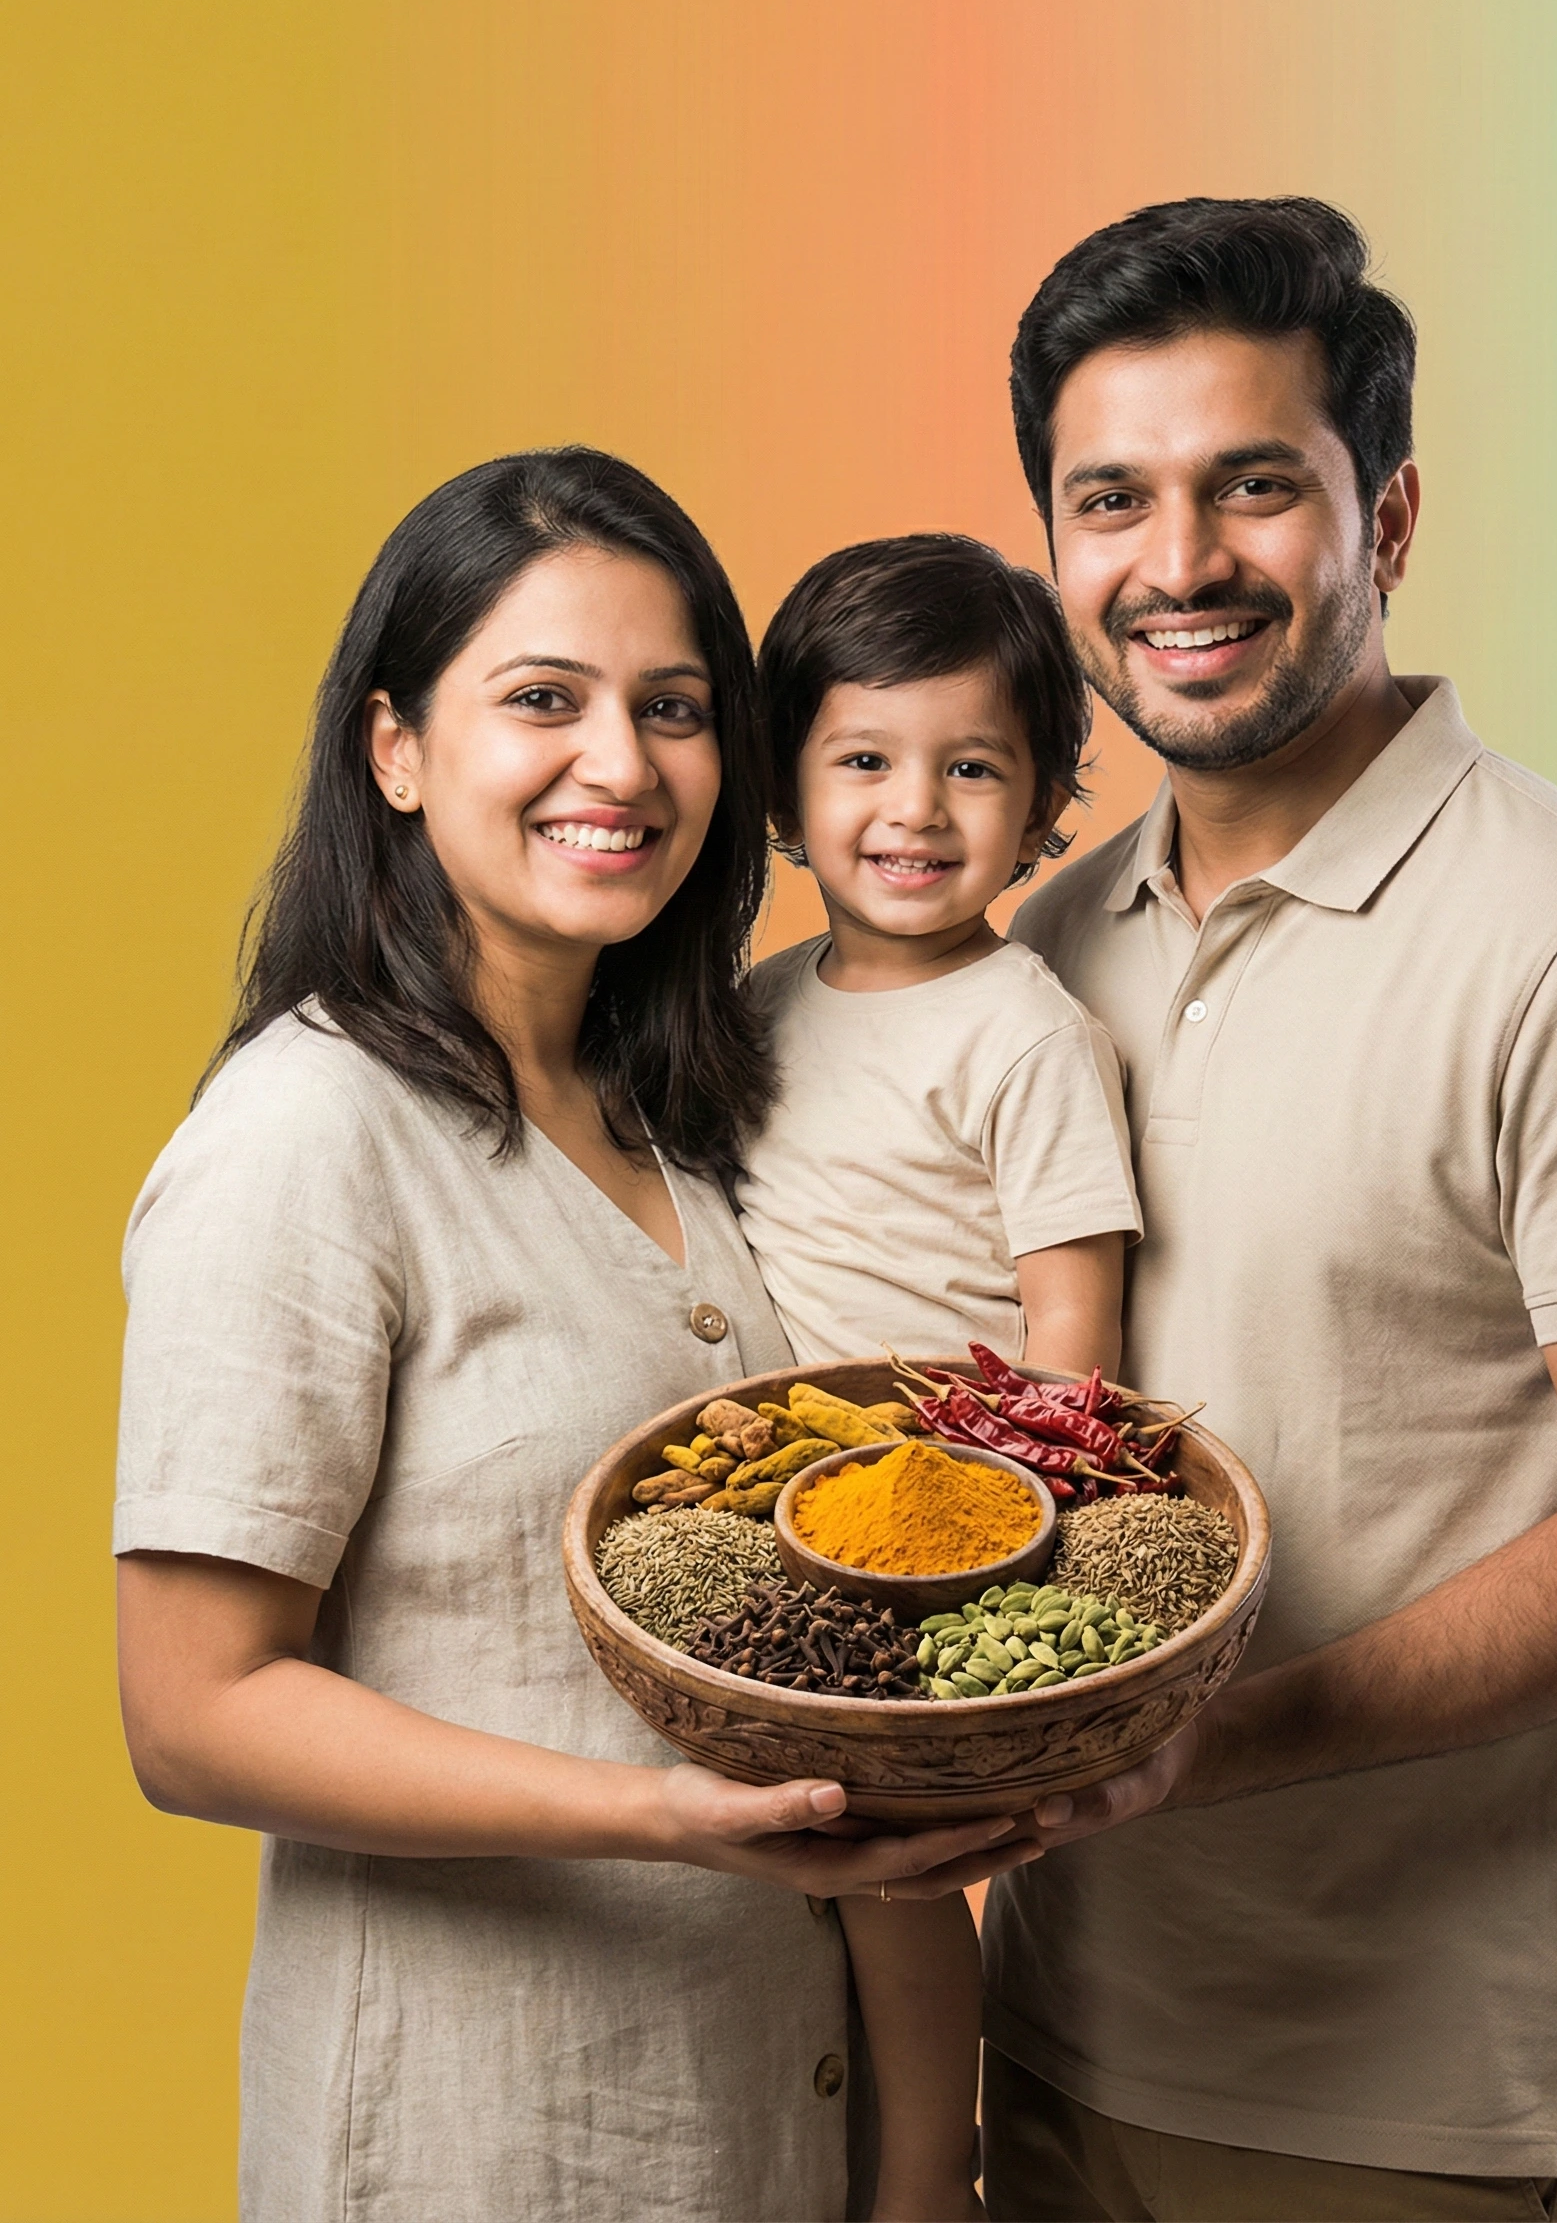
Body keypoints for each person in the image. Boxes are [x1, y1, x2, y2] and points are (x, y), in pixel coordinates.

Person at [978, 200, 1557, 2222]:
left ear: (1388, 518)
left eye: (1252, 486)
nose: (1175, 563)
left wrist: (1196, 1745)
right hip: (1041, 2027)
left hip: (1400, 2109)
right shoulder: (1043, 946)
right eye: (1111, 499)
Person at [112, 448, 1041, 2223]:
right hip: (483, 2140)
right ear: (395, 747)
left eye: (674, 708)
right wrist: (671, 1813)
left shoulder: (684, 1118)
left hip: (762, 2122)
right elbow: (192, 1715)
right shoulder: (306, 1140)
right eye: (543, 698)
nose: (619, 765)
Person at [735, 531, 1144, 2220]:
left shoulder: (1026, 1031)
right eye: (863, 763)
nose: (914, 809)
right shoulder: (753, 1006)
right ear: (782, 794)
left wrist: (1019, 1510)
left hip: (946, 1508)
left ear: (1049, 802)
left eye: (972, 766)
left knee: (887, 1875)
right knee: (789, 1872)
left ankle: (925, 2184)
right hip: (775, 1507)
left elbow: (1075, 1317)